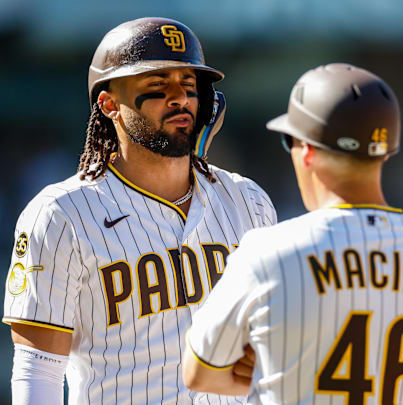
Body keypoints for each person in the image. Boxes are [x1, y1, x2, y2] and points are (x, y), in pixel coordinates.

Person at [4, 17, 276, 405]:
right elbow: (38, 370)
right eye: (157, 86)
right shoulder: (61, 214)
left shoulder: (247, 201)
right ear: (110, 104)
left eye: (188, 85)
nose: (179, 98)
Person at [182, 63, 403, 404]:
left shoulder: (268, 252)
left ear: (306, 149)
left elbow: (197, 373)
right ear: (386, 150)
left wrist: (273, 364)